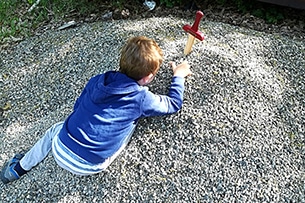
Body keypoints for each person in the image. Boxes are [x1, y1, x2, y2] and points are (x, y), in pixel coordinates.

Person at [0, 36, 192, 184]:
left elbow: (77, 107)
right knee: (133, 122)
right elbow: (173, 104)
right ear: (149, 77)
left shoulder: (98, 80)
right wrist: (179, 77)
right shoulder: (142, 98)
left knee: (54, 130)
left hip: (60, 147)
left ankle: (18, 169)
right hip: (91, 164)